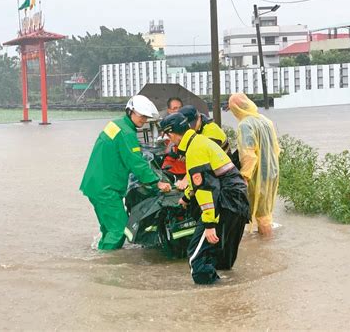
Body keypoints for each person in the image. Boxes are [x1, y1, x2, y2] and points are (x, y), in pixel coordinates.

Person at [160, 112, 250, 285]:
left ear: (171, 134)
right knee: (222, 260)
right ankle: (230, 300)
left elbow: (205, 188)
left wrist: (209, 225)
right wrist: (186, 199)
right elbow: (202, 180)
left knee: (197, 259)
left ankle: (208, 303)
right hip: (239, 201)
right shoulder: (200, 141)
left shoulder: (195, 150)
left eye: (168, 136)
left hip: (226, 202)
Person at [80, 95, 172, 250]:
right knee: (119, 230)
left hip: (95, 184)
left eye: (146, 117)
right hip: (106, 189)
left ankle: (101, 255)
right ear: (131, 112)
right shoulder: (127, 133)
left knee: (108, 229)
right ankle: (108, 266)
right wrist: (157, 182)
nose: (144, 120)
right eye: (141, 116)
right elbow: (136, 162)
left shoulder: (116, 124)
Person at [228, 93, 280, 237]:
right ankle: (266, 241)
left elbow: (248, 154)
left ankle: (266, 246)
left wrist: (244, 177)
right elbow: (276, 148)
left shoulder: (245, 125)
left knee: (261, 215)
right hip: (272, 171)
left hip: (257, 175)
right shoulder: (265, 120)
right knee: (266, 211)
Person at [161, 97, 186, 180]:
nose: (178, 110)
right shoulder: (167, 127)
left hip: (186, 172)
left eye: (180, 108)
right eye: (175, 108)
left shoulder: (187, 125)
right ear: (169, 110)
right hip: (171, 170)